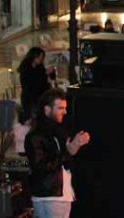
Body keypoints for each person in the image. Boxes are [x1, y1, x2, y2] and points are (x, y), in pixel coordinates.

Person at [26, 89, 90, 218]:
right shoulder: (35, 136)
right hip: (50, 197)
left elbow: (64, 160)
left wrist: (74, 147)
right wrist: (69, 151)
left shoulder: (57, 133)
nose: (65, 112)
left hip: (60, 195)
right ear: (47, 109)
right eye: (60, 108)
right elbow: (41, 167)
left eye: (65, 108)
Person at [20, 47, 52, 119]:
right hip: (30, 97)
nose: (41, 59)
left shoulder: (39, 67)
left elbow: (43, 80)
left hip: (41, 95)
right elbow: (30, 84)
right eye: (39, 57)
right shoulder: (26, 69)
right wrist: (45, 74)